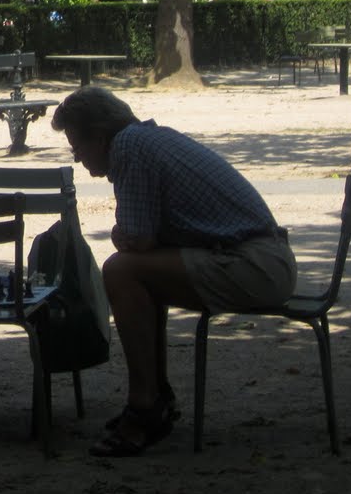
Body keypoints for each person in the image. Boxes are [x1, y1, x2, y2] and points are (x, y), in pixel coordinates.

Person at [50, 86, 296, 457]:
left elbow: (137, 239)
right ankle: (154, 398)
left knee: (120, 272)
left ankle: (144, 406)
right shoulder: (145, 139)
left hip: (255, 265)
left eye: (77, 147)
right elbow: (145, 241)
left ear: (99, 138)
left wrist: (124, 236)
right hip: (264, 258)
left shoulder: (129, 147)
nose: (77, 157)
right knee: (138, 275)